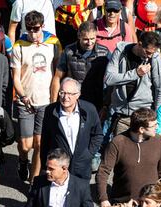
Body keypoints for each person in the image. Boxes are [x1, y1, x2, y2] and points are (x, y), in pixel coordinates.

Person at [11, 10, 61, 183]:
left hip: (45, 101)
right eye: (29, 29)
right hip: (25, 100)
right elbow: (15, 77)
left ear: (43, 26)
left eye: (36, 28)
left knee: (39, 144)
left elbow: (57, 72)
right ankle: (23, 160)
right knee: (26, 145)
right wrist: (23, 96)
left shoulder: (53, 42)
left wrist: (56, 98)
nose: (32, 32)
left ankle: (33, 182)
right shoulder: (19, 45)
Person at [97, 108, 161, 206]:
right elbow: (103, 172)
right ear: (141, 129)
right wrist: (103, 199)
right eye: (154, 125)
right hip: (124, 201)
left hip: (149, 202)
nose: (157, 127)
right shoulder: (118, 142)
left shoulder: (158, 141)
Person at [41, 78, 103, 181]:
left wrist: (88, 154)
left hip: (81, 169)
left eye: (70, 94)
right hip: (59, 168)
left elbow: (97, 134)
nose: (66, 97)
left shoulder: (89, 110)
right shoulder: (50, 111)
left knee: (80, 196)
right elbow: (45, 141)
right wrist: (45, 165)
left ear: (78, 94)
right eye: (62, 93)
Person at [105, 31, 161, 136]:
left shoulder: (154, 58)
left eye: (153, 53)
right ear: (139, 44)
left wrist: (155, 115)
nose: (150, 56)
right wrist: (136, 73)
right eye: (147, 52)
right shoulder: (121, 51)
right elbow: (109, 79)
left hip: (143, 115)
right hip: (119, 114)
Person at [51, 21, 110, 112]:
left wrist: (106, 104)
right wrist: (53, 105)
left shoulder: (104, 53)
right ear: (79, 36)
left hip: (96, 102)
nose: (89, 43)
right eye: (86, 39)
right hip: (73, 100)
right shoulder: (68, 51)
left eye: (92, 39)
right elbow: (57, 77)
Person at [26, 148, 93, 207]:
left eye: (51, 169)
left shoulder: (81, 187)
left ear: (64, 168)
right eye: (47, 167)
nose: (47, 171)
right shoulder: (39, 182)